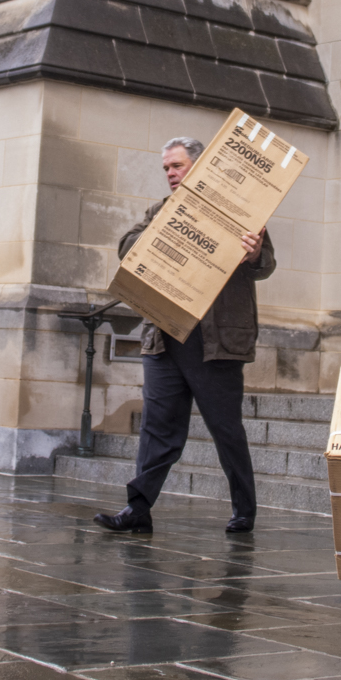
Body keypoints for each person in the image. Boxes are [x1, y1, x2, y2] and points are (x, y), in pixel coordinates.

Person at [95, 135, 274, 535]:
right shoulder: (159, 210)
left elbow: (264, 264)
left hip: (217, 343)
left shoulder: (238, 211)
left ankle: (244, 510)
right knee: (157, 428)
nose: (171, 174)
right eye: (166, 169)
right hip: (164, 338)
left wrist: (254, 253)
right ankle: (138, 509)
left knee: (226, 430)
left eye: (177, 166)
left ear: (200, 164)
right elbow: (127, 246)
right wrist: (166, 225)